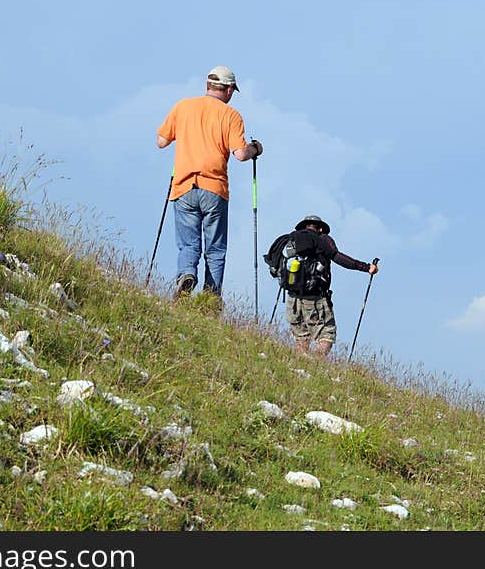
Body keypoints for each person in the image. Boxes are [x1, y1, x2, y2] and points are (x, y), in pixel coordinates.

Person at [156, 65, 263, 301]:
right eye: (232, 90)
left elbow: (162, 141)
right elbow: (241, 155)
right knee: (215, 249)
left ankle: (186, 274)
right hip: (214, 188)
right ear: (226, 89)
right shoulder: (231, 115)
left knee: (188, 243)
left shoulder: (183, 106)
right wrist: (256, 148)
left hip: (183, 185)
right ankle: (211, 299)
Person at [282, 215, 379, 357]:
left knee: (302, 338)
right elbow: (338, 257)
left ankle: (300, 367)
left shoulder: (291, 240)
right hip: (315, 299)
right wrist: (366, 267)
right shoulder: (323, 240)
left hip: (292, 299)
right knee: (327, 334)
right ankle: (315, 363)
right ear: (320, 228)